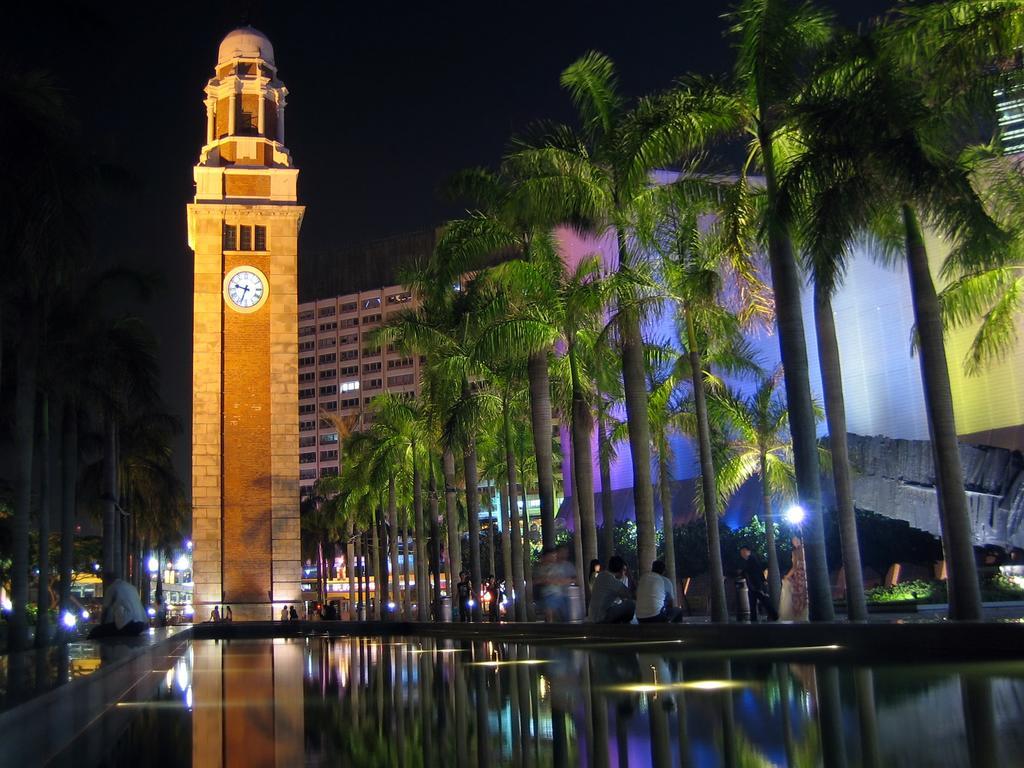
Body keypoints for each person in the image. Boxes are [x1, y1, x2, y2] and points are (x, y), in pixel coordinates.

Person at [88, 572, 149, 638]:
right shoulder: (131, 587)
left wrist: (102, 625)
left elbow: (105, 610)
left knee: (95, 632)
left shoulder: (112, 587)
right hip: (141, 624)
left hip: (129, 625)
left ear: (107, 580)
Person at [587, 556, 635, 624]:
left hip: (592, 617)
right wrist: (630, 576)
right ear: (621, 570)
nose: (625, 573)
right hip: (601, 618)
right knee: (631, 605)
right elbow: (629, 595)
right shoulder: (613, 581)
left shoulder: (601, 575)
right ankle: (624, 628)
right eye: (624, 570)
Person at [739, 545, 778, 622]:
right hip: (753, 585)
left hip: (756, 585)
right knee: (755, 602)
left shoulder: (752, 559)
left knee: (763, 601)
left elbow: (755, 571)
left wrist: (761, 583)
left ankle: (774, 615)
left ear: (748, 551)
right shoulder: (749, 560)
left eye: (743, 552)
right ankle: (755, 619)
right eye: (741, 553)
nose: (742, 554)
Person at [779, 537, 809, 621]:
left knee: (797, 595)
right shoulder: (807, 549)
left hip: (799, 576)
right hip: (805, 575)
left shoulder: (796, 552)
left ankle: (799, 615)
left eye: (796, 541)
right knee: (804, 595)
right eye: (793, 541)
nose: (794, 543)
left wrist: (787, 576)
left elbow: (794, 567)